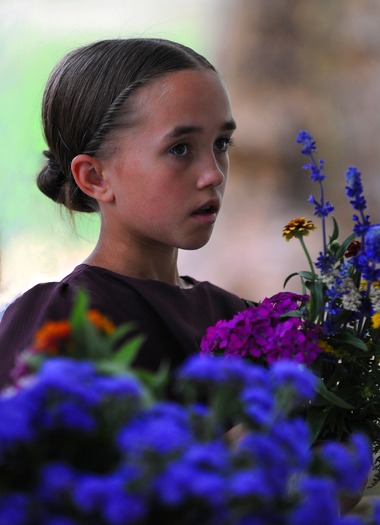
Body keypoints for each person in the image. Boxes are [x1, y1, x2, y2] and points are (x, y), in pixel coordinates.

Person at [0, 38, 248, 389]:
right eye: (180, 149)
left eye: (221, 143)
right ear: (95, 177)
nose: (214, 174)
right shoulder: (63, 322)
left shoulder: (235, 316)